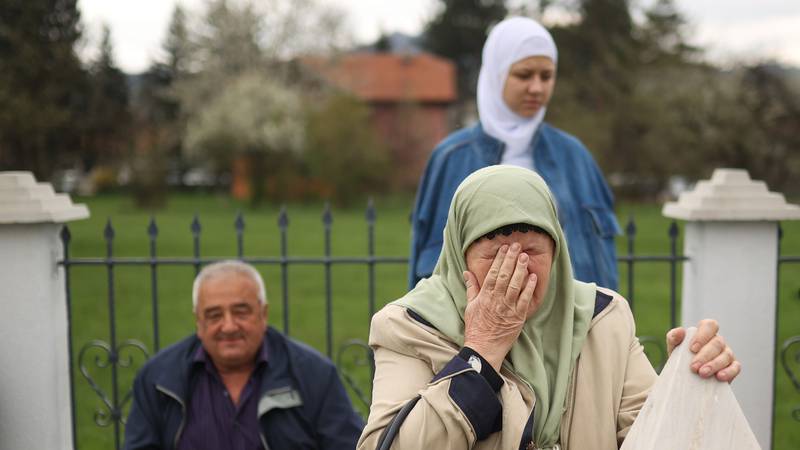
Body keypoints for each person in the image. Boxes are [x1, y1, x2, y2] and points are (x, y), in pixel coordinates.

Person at [358, 166, 740, 450]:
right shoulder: (408, 326)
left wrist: (684, 382)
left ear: (557, 254)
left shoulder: (602, 318)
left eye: (531, 251)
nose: (516, 268)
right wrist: (481, 352)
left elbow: (652, 437)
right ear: (460, 254)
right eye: (494, 254)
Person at [409, 17, 620, 291]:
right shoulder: (450, 158)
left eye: (546, 76)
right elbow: (424, 271)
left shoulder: (575, 157)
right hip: (470, 327)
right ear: (497, 73)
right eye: (523, 74)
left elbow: (603, 267)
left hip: (569, 327)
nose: (537, 88)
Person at [124, 260, 363, 450]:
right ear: (199, 321)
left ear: (263, 313)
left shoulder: (314, 374)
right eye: (214, 315)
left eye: (241, 312)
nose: (228, 326)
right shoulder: (158, 379)